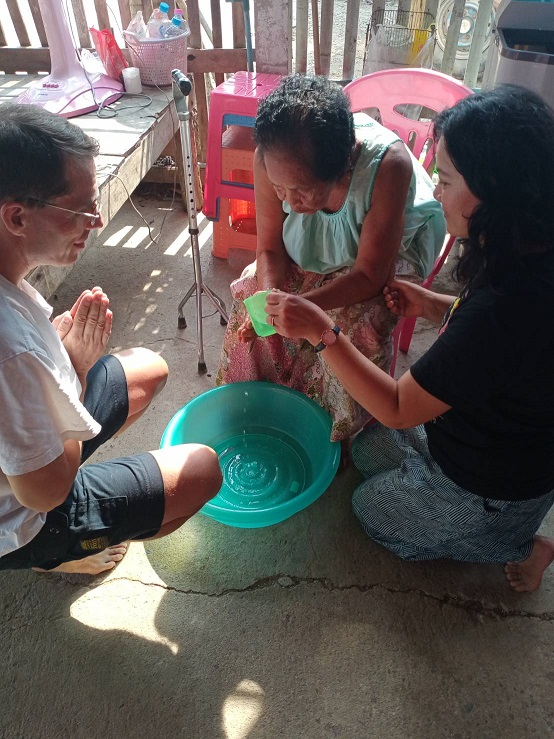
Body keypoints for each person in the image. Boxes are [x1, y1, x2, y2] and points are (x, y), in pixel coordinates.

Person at [263, 85, 554, 592]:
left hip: (491, 486)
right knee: (367, 451)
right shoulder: (520, 248)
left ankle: (518, 543)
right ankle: (448, 495)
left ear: (494, 189)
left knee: (370, 510)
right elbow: (494, 345)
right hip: (465, 428)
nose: (435, 192)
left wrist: (321, 331)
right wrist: (434, 305)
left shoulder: (504, 310)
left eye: (447, 179)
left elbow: (398, 407)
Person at [0, 103, 222, 575]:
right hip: (24, 515)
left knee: (147, 367)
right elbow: (45, 492)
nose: (97, 221)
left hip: (25, 458)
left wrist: (57, 366)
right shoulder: (12, 351)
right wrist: (75, 370)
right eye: (80, 210)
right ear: (16, 218)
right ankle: (54, 556)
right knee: (203, 470)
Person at [216, 74, 446, 442]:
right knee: (249, 297)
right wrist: (271, 298)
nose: (289, 202)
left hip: (377, 258)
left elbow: (370, 275)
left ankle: (332, 432)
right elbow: (270, 248)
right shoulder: (270, 157)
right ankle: (261, 410)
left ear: (342, 170)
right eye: (279, 189)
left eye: (302, 191)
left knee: (358, 324)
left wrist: (305, 310)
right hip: (313, 245)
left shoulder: (388, 167)